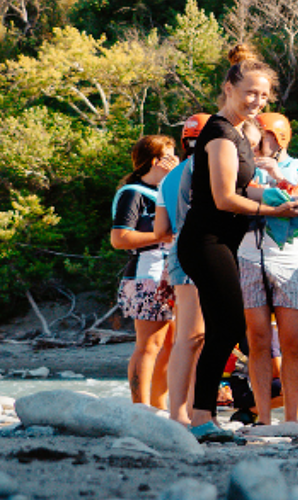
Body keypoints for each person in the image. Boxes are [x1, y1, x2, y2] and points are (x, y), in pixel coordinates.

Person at [178, 45, 298, 444]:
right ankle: (200, 417)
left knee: (222, 327)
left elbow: (244, 186)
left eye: (264, 95)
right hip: (205, 240)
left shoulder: (236, 134)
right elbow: (222, 198)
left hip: (220, 242)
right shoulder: (218, 132)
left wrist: (281, 195)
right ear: (229, 87)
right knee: (230, 326)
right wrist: (273, 213)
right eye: (251, 92)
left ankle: (202, 417)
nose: (258, 101)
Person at [238, 110, 298, 425]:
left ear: (280, 138)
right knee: (257, 339)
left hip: (289, 255)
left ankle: (292, 418)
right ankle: (263, 418)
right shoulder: (242, 167)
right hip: (247, 253)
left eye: (264, 137)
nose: (258, 143)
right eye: (254, 137)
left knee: (291, 341)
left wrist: (279, 175)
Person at [113, 134, 178, 408]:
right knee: (148, 346)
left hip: (173, 275)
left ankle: (159, 406)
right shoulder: (133, 193)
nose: (177, 161)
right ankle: (140, 407)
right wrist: (161, 236)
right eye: (170, 155)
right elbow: (120, 239)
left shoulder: (169, 193)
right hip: (146, 275)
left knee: (170, 346)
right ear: (155, 161)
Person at [161, 113, 209, 424]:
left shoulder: (169, 177)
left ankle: (186, 410)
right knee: (195, 337)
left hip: (179, 248)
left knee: (192, 336)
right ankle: (184, 412)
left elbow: (160, 230)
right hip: (201, 250)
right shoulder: (205, 170)